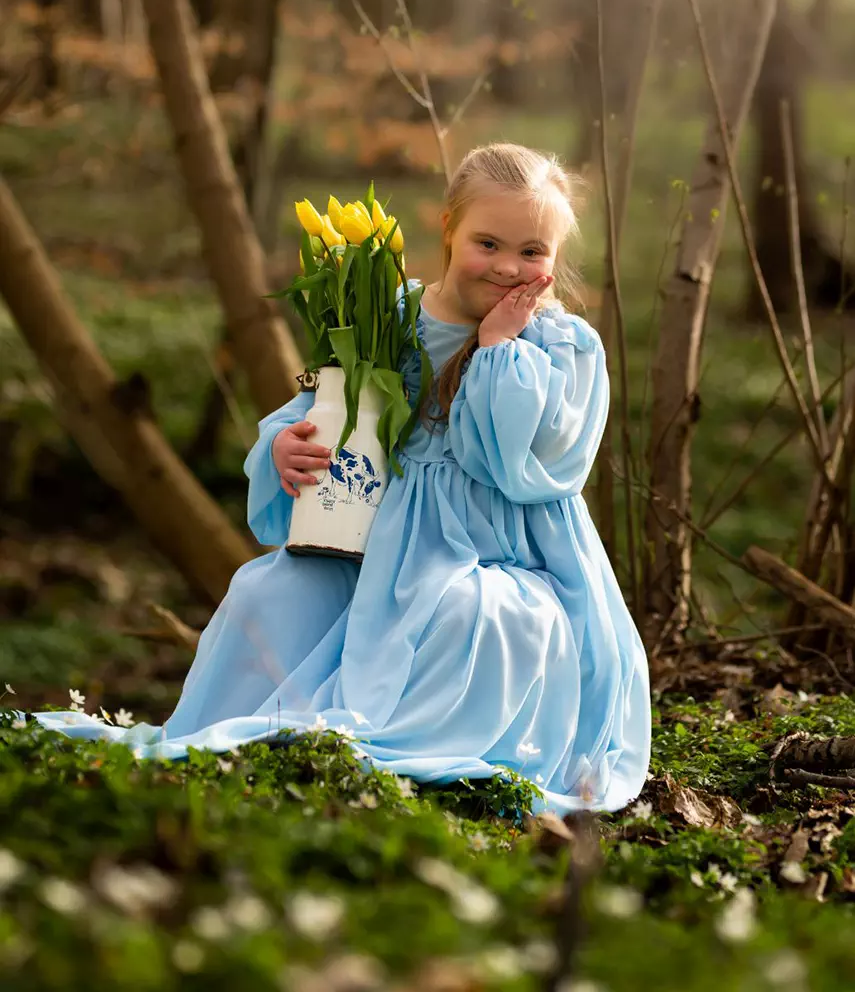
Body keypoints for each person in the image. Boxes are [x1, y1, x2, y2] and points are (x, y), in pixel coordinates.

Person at [25, 143, 650, 814]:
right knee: (271, 593)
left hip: (500, 550)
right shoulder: (391, 317)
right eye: (487, 242)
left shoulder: (560, 347)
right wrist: (283, 449)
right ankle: (248, 739)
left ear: (555, 260)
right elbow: (324, 405)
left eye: (531, 252)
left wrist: (498, 347)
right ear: (447, 229)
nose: (506, 267)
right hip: (372, 542)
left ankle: (419, 749)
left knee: (478, 614)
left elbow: (522, 462)